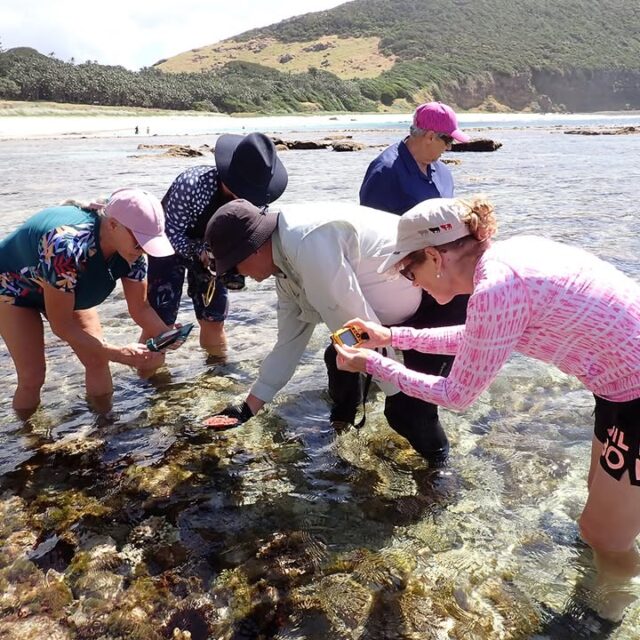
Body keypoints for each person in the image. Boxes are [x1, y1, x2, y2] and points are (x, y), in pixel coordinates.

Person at [333, 196, 640, 601]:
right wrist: (392, 337)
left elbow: (456, 395)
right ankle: (603, 581)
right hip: (619, 389)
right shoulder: (510, 260)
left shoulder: (496, 288)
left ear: (434, 256)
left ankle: (607, 615)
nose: (412, 283)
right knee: (600, 510)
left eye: (410, 271)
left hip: (634, 397)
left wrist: (374, 365)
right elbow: (480, 337)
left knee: (603, 533)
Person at [202, 199, 452, 463]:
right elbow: (288, 344)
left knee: (407, 413)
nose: (240, 276)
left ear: (251, 249)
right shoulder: (284, 263)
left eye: (234, 268)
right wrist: (246, 409)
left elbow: (358, 326)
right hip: (391, 318)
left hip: (439, 300)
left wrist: (397, 391)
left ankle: (441, 474)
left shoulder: (309, 247)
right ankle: (343, 432)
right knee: (337, 355)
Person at [344, 101, 471, 462]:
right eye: (447, 140)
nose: (450, 148)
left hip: (436, 277)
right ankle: (362, 402)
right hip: (401, 276)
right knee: (379, 334)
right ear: (429, 135)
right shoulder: (385, 172)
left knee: (437, 331)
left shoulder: (441, 172)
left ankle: (417, 394)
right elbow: (372, 239)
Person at [0, 188, 175, 417]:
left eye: (149, 243)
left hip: (64, 285)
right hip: (13, 286)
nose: (144, 250)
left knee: (96, 359)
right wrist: (118, 353)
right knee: (32, 377)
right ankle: (30, 441)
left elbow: (141, 308)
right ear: (113, 225)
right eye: (140, 242)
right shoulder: (67, 246)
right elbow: (62, 326)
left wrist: (167, 336)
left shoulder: (132, 254)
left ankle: (104, 426)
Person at [147, 132, 288, 356]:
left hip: (216, 255)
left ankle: (217, 374)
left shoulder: (260, 201)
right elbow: (168, 232)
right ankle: (148, 381)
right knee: (158, 321)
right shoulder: (191, 185)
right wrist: (199, 250)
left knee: (214, 318)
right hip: (168, 250)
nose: (250, 198)